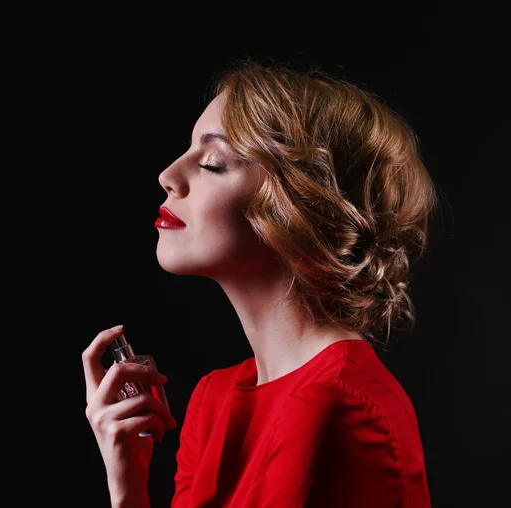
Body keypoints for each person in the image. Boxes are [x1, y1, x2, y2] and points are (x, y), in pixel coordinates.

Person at [83, 58, 440, 507]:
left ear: (299, 205)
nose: (168, 176)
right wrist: (127, 482)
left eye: (212, 163)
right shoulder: (213, 400)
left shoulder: (336, 407)